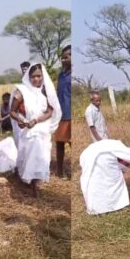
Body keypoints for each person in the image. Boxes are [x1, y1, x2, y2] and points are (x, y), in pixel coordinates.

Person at [10, 63, 62, 197]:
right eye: (33, 77)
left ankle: (34, 180)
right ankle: (33, 187)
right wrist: (24, 121)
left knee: (42, 156)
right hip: (29, 129)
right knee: (31, 156)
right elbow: (13, 112)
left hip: (42, 127)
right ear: (28, 77)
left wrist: (37, 120)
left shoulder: (45, 90)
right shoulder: (21, 91)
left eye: (39, 76)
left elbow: (50, 111)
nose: (36, 79)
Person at [80, 139, 130, 215]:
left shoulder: (118, 149)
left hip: (87, 155)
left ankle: (97, 209)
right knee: (111, 181)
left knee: (96, 181)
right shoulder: (129, 156)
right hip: (100, 155)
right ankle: (113, 207)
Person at [55, 45, 71, 178]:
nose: (65, 60)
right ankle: (59, 171)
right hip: (61, 115)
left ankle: (73, 171)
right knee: (59, 143)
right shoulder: (61, 75)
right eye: (63, 58)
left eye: (67, 57)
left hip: (70, 115)